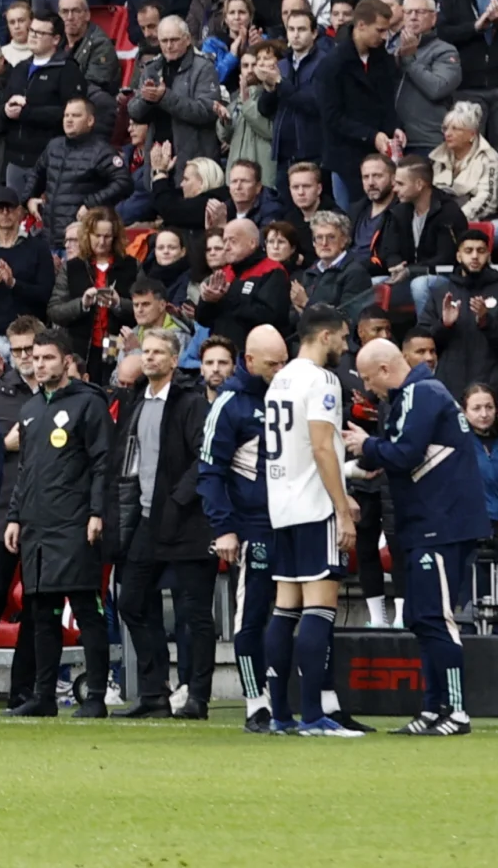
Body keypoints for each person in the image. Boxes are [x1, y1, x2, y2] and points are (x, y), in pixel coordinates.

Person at [352, 336, 484, 733]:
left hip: (441, 525)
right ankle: (432, 708)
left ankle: (456, 711)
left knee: (438, 619)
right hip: (425, 524)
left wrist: (367, 444)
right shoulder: (417, 395)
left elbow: (405, 453)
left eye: (367, 377)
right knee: (421, 618)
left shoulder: (420, 394)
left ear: (386, 370)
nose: (366, 386)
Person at [256, 313, 359, 737]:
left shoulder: (279, 380)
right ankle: (314, 716)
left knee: (284, 609)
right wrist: (341, 508)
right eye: (343, 338)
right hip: (315, 506)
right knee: (319, 608)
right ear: (325, 335)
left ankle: (280, 714)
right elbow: (321, 446)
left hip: (282, 505)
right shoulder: (322, 380)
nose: (346, 347)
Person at [3, 328, 114, 718]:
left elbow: (103, 463)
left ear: (67, 361)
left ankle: (97, 694)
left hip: (75, 522)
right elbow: (25, 470)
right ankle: (44, 695)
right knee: (41, 613)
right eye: (35, 357)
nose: (40, 364)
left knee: (86, 608)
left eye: (48, 357)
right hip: (37, 525)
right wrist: (15, 516)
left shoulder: (88, 404)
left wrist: (97, 511)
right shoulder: (32, 408)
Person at [110, 327, 215, 721]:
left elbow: (202, 458)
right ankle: (155, 691)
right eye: (147, 352)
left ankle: (198, 697)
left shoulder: (190, 403)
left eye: (158, 352)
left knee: (195, 613)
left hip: (187, 522)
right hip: (146, 518)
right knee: (132, 601)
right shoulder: (136, 400)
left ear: (174, 360)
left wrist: (177, 500)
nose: (150, 358)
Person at [198, 330, 275, 726]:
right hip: (254, 525)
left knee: (299, 613)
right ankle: (255, 701)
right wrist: (224, 528)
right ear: (250, 361)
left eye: (283, 362)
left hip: (296, 522)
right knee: (252, 615)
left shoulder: (290, 394)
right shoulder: (229, 404)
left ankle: (311, 699)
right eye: (272, 364)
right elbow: (210, 471)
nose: (279, 371)